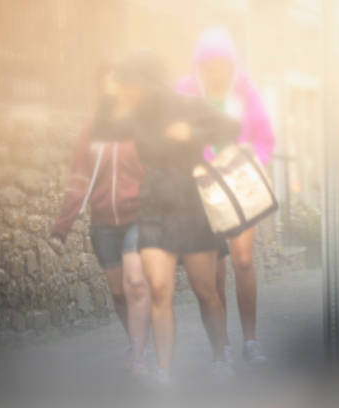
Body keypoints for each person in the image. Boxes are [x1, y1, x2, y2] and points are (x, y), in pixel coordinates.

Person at [91, 51, 240, 384]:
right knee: (159, 289)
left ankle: (220, 354)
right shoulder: (135, 115)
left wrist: (194, 131)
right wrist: (110, 93)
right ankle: (164, 371)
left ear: (144, 83)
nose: (125, 92)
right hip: (153, 209)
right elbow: (101, 128)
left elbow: (232, 126)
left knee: (206, 291)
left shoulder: (187, 105)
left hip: (191, 208)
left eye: (127, 84)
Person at [177, 27, 274, 364]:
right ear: (200, 65)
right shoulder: (186, 93)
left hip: (239, 183)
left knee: (243, 261)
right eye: (210, 63)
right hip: (202, 189)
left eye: (223, 62)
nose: (216, 69)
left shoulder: (246, 93)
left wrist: (249, 163)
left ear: (232, 64)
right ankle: (224, 345)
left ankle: (250, 341)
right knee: (215, 271)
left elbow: (265, 138)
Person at [51, 68, 151, 376]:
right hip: (103, 221)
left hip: (139, 216)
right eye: (108, 86)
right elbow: (79, 176)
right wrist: (62, 224)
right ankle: (136, 341)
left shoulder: (142, 125)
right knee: (119, 293)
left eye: (119, 84)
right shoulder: (93, 129)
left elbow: (160, 168)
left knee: (135, 282)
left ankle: (137, 354)